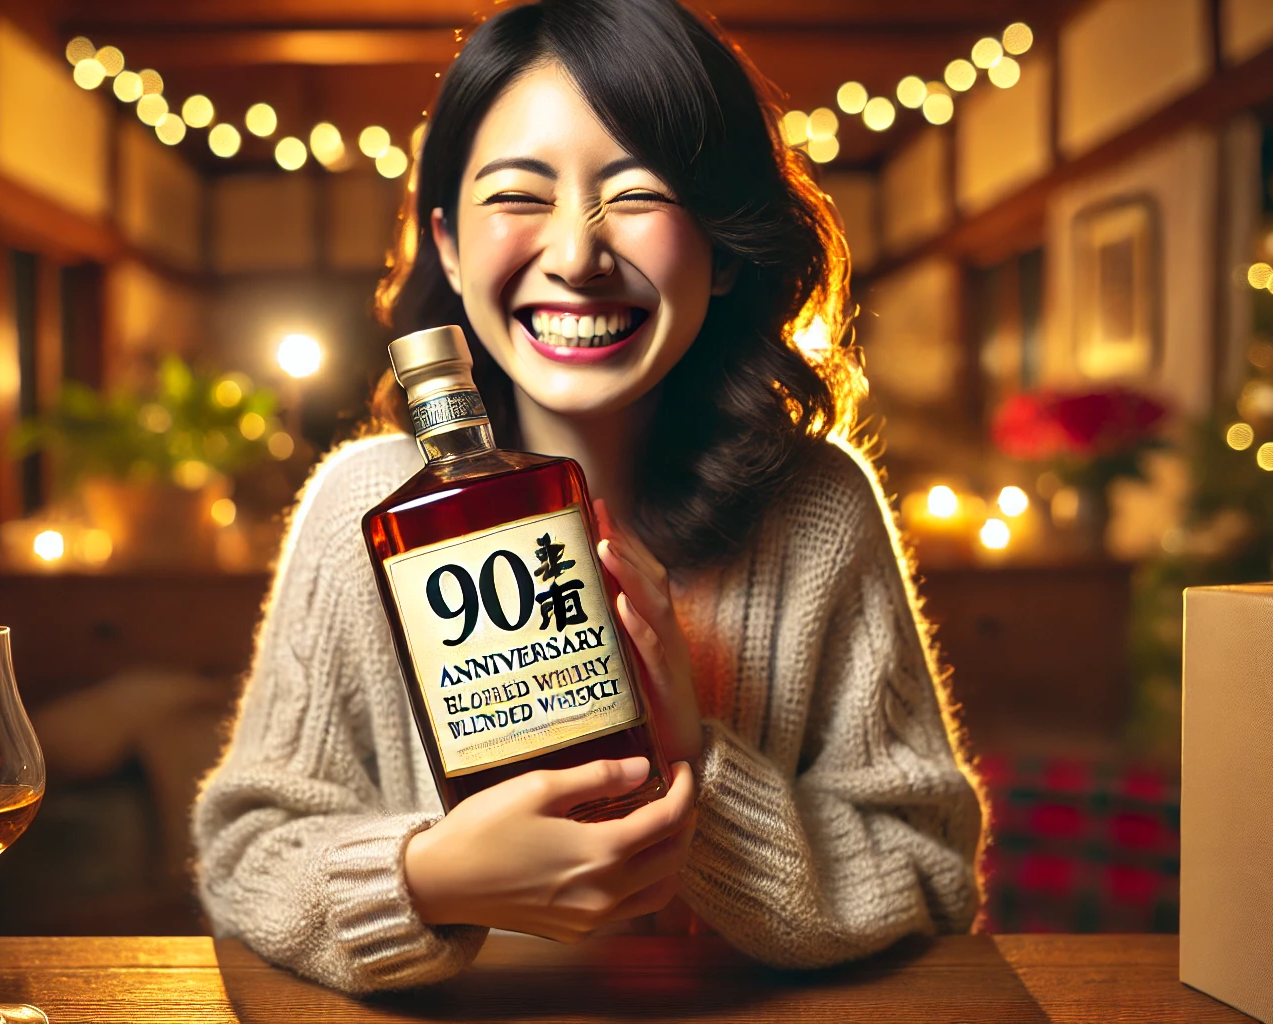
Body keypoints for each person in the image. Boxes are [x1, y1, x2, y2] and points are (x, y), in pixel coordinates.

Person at [192, 0, 982, 994]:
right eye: (519, 196)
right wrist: (427, 879)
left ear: (728, 245)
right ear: (447, 243)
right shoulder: (363, 502)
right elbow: (245, 853)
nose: (575, 254)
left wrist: (691, 765)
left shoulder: (817, 509)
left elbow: (930, 870)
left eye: (640, 192)